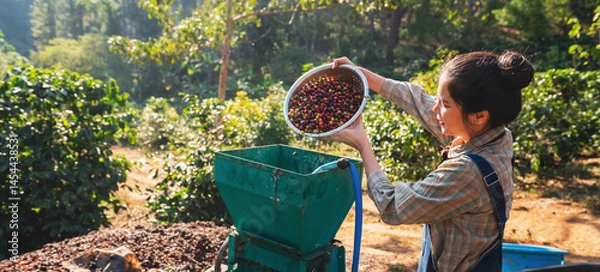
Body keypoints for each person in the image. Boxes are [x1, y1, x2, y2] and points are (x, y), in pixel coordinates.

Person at [329, 51, 534, 271]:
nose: (435, 108)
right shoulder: (495, 135)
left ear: (479, 116)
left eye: (445, 104)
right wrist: (364, 77)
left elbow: (391, 206)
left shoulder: (467, 172)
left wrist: (363, 145)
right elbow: (419, 102)